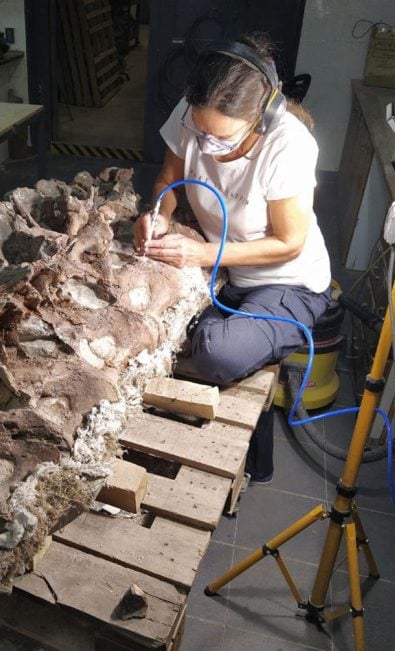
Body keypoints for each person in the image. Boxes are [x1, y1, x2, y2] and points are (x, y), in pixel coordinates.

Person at [134, 36, 332, 484]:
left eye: (219, 138)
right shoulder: (191, 115)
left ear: (262, 120)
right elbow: (170, 179)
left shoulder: (288, 146)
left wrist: (204, 253)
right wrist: (156, 216)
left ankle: (238, 437)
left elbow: (289, 242)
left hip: (288, 281)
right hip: (227, 267)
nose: (204, 146)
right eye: (198, 132)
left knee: (215, 353)